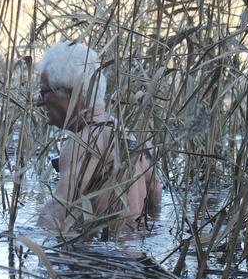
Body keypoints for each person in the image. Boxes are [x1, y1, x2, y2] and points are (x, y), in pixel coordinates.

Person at [35, 41, 162, 236]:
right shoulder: (123, 132)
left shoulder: (81, 143)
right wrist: (142, 231)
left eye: (43, 92)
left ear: (68, 93)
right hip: (130, 251)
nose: (39, 101)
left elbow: (58, 210)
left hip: (105, 253)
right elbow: (155, 190)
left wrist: (21, 242)